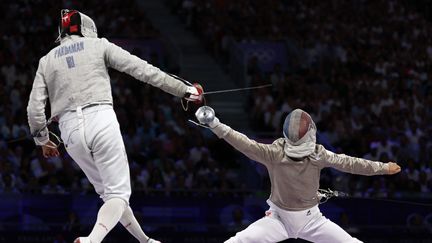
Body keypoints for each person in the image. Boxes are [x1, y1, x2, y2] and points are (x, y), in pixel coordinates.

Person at [27, 9, 202, 243]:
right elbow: (144, 70)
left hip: (70, 132)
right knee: (118, 195)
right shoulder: (99, 45)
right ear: (87, 28)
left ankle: (145, 241)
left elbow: (34, 109)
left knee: (110, 196)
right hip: (101, 120)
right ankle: (92, 240)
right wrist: (185, 90)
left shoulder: (46, 60)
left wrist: (43, 140)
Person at [195, 106, 401, 243]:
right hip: (278, 220)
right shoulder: (280, 153)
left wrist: (382, 167)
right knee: (238, 241)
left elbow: (350, 163)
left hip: (312, 220)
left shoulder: (307, 153)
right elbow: (241, 142)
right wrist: (214, 124)